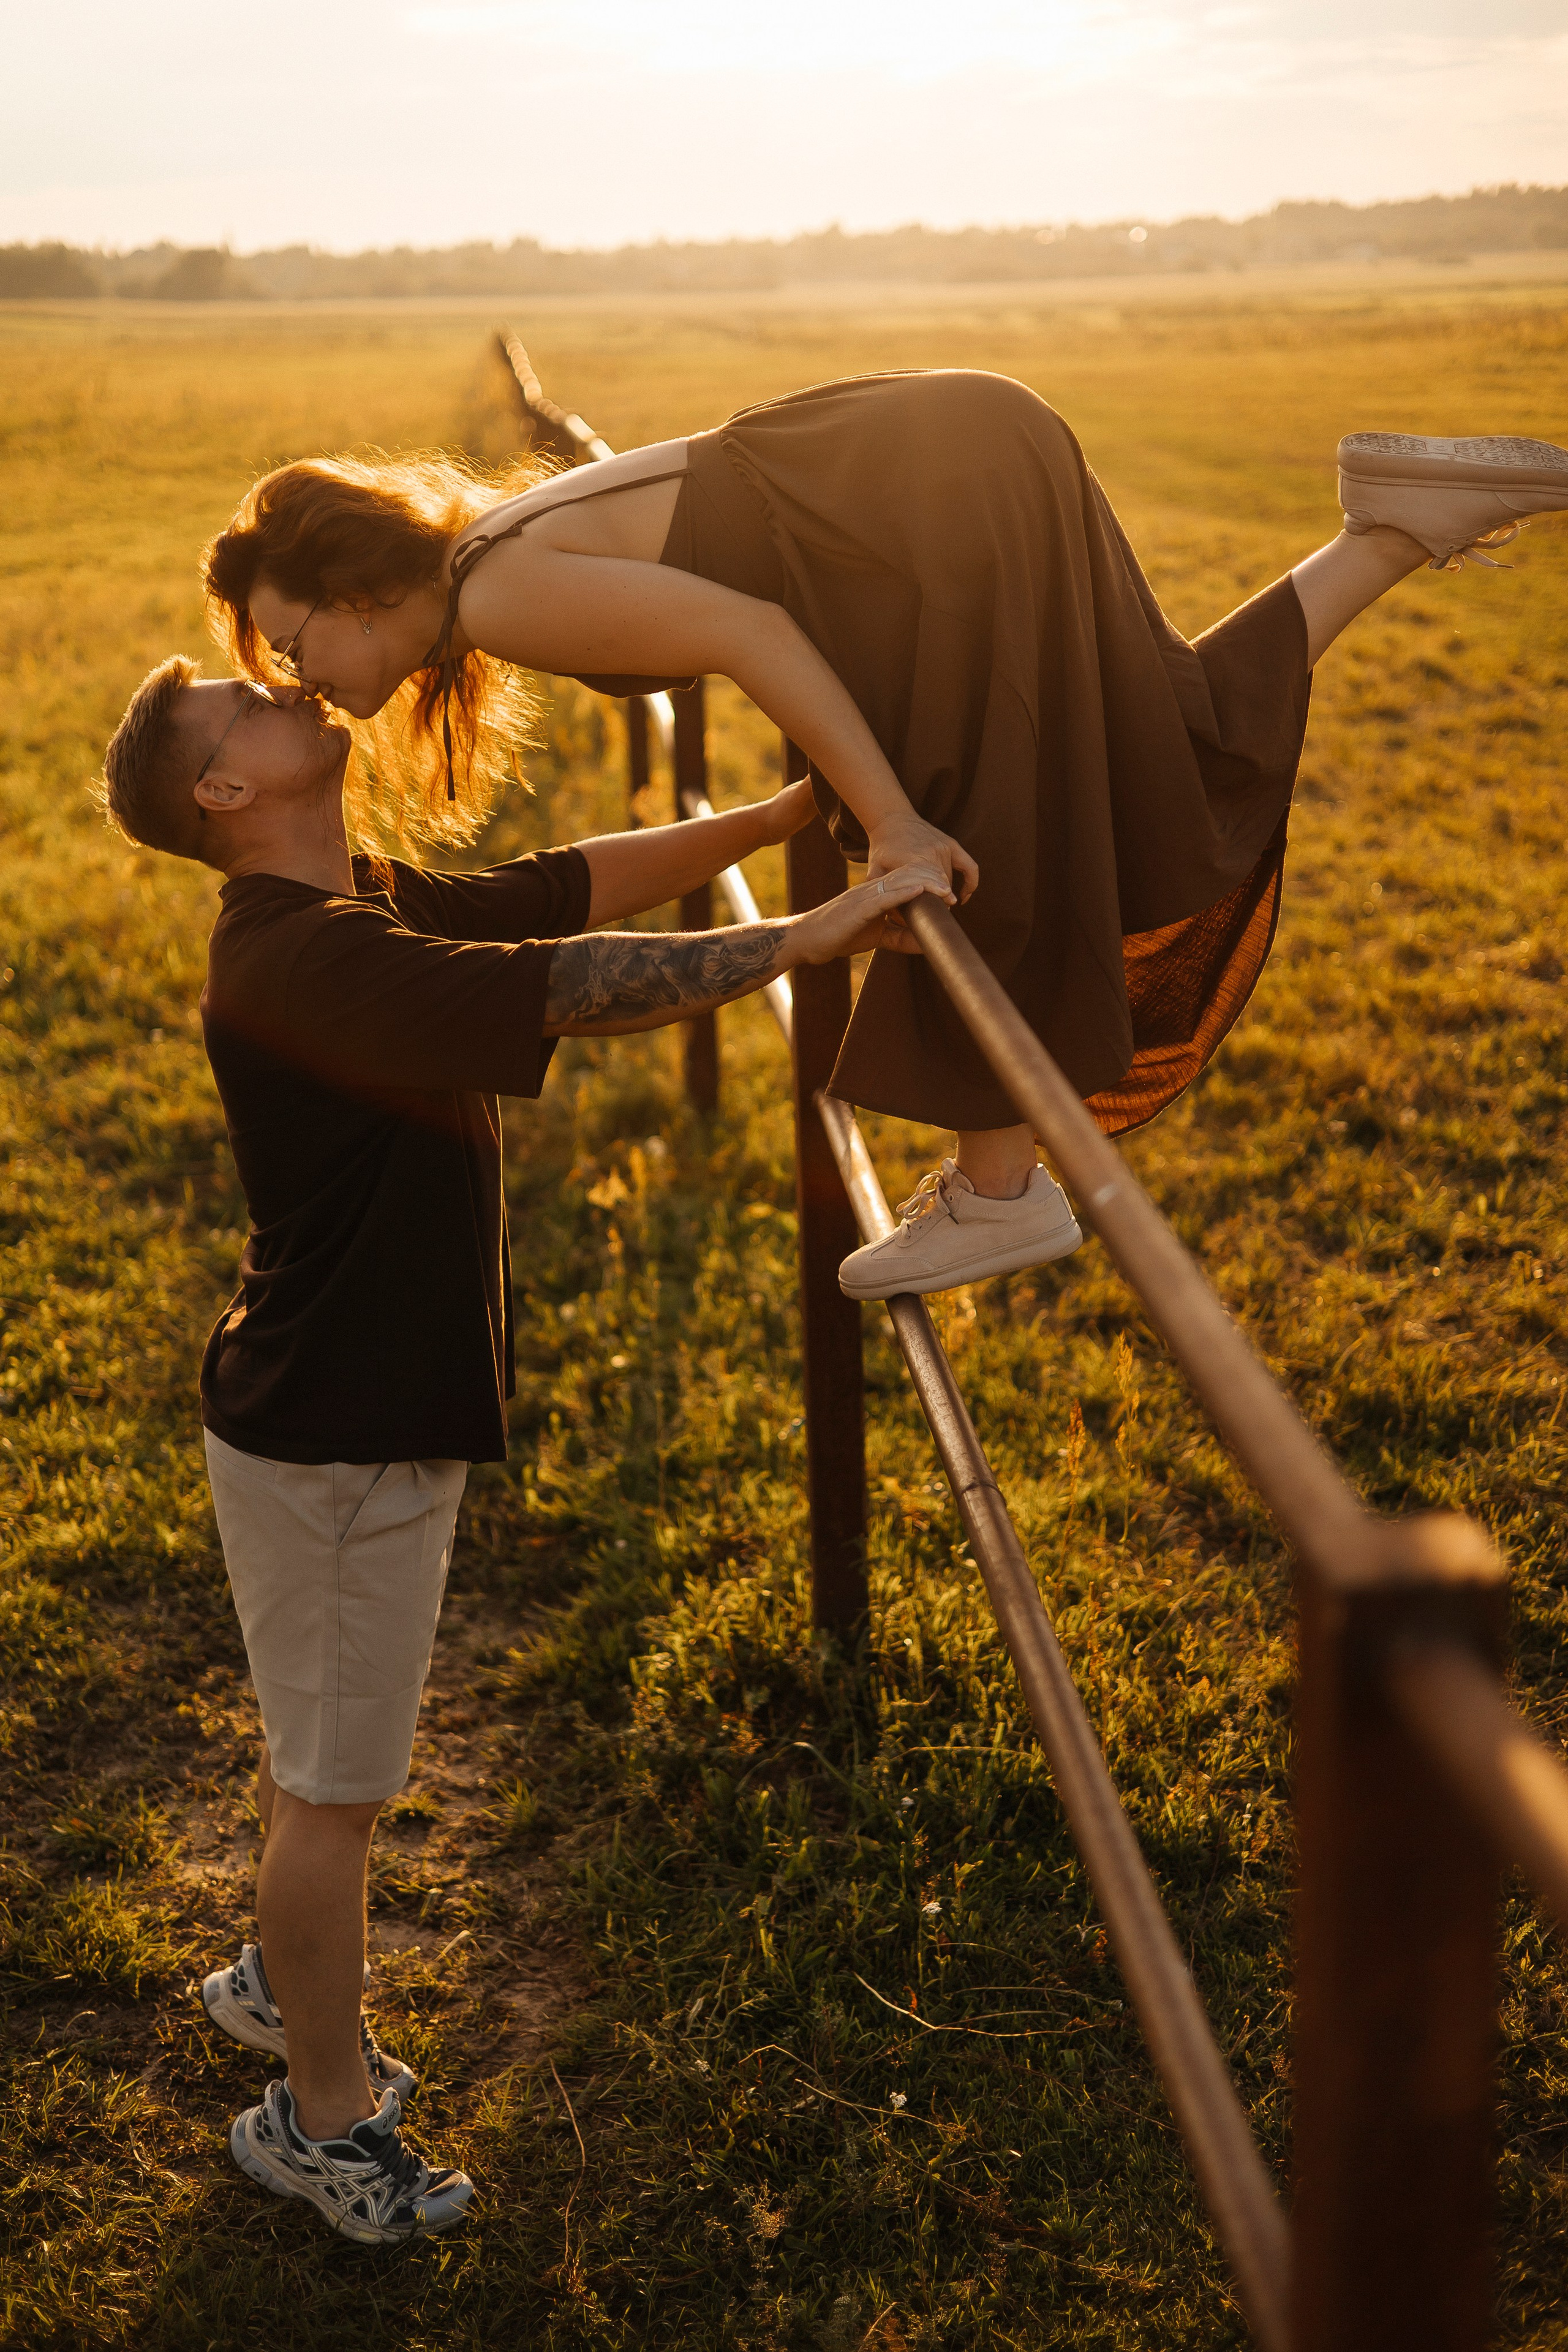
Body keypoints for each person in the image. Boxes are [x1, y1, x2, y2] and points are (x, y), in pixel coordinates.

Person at [96, 655, 932, 2245]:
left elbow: (557, 889)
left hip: (338, 1414)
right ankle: (315, 2118)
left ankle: (287, 1981)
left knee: (321, 1768)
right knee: (332, 1795)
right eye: (242, 706)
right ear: (226, 790)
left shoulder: (356, 902)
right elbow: (570, 981)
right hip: (337, 1439)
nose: (283, 693)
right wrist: (807, 935)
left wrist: (772, 817)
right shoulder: (305, 959)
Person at [202, 373, 1568, 1300]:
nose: (293, 672)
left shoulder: (499, 598)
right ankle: (1391, 529)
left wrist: (896, 813)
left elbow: (750, 629)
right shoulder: (495, 552)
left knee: (977, 825)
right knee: (1153, 737)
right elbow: (744, 585)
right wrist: (841, 799)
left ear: (357, 588)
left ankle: (999, 1187)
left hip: (936, 490)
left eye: (290, 636)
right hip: (953, 453)